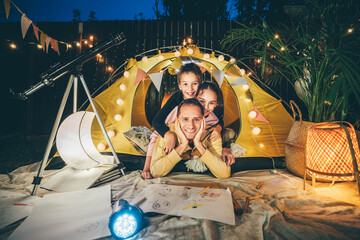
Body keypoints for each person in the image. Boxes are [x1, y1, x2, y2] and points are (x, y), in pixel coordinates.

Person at [141, 64, 223, 179]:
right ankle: (146, 168)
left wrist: (219, 129)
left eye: (194, 84)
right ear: (179, 85)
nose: (190, 89)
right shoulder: (176, 99)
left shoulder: (203, 100)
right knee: (155, 136)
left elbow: (218, 119)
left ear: (200, 85)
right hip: (169, 125)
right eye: (185, 84)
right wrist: (169, 134)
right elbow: (157, 121)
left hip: (190, 133)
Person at [150, 98, 231, 178]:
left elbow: (224, 173)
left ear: (203, 120)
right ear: (177, 120)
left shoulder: (211, 133)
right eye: (185, 119)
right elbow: (156, 172)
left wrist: (198, 144)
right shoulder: (169, 133)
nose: (191, 126)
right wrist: (182, 145)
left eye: (196, 119)